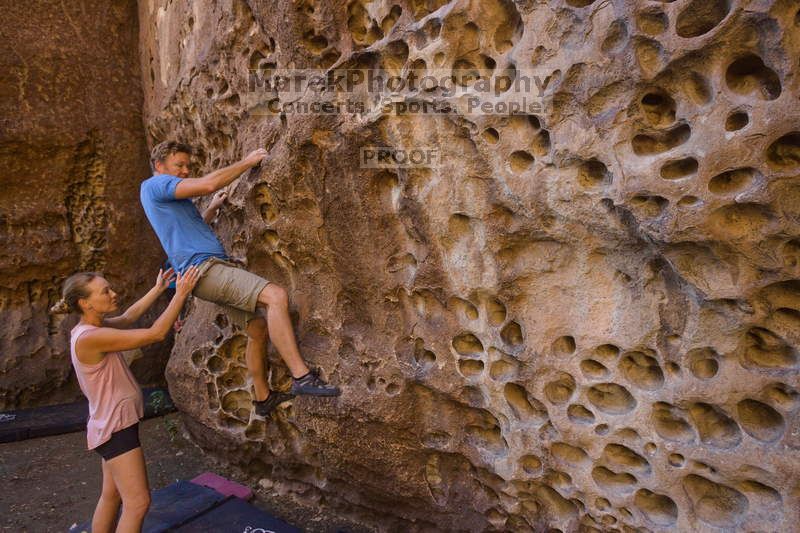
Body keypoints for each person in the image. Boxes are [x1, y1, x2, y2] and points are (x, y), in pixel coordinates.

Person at [140, 141, 340, 418]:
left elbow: (189, 229)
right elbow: (208, 183)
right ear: (160, 166)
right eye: (179, 165)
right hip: (206, 269)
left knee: (257, 329)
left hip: (204, 270)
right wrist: (248, 161)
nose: (185, 171)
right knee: (276, 296)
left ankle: (263, 397)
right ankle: (301, 376)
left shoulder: (165, 199)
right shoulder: (155, 185)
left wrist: (211, 209)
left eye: (188, 166)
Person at [50, 266, 201, 533]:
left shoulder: (93, 327)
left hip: (110, 425)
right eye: (105, 291)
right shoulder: (92, 338)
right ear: (85, 303)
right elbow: (155, 333)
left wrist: (157, 289)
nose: (113, 293)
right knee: (138, 503)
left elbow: (129, 315)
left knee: (112, 496)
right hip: (116, 429)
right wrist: (181, 294)